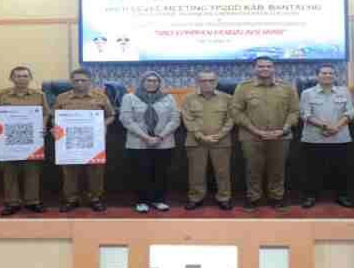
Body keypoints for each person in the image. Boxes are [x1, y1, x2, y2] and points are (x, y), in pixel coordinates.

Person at [231, 56, 299, 212]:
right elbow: (236, 112)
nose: (265, 69)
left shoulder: (287, 87)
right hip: (251, 136)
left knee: (277, 169)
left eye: (268, 66)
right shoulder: (244, 87)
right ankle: (253, 198)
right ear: (254, 69)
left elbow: (294, 111)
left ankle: (277, 197)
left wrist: (283, 129)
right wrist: (255, 130)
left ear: (274, 68)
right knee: (252, 169)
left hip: (280, 136)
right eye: (261, 66)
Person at [52, 68, 116, 213]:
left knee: (95, 171)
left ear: (90, 81)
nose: (80, 83)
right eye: (76, 80)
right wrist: (55, 126)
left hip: (93, 141)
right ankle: (71, 199)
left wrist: (103, 124)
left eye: (83, 80)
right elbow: (54, 116)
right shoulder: (62, 98)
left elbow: (111, 115)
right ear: (71, 81)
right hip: (68, 141)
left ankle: (95, 199)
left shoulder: (100, 97)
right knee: (70, 171)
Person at [0, 66, 50, 215]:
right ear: (11, 78)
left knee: (32, 170)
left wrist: (43, 125)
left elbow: (45, 113)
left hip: (31, 139)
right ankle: (12, 203)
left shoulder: (39, 95)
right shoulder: (1, 95)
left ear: (30, 78)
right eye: (18, 76)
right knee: (9, 171)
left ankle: (32, 201)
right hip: (7, 139)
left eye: (25, 76)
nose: (21, 79)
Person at [120, 71, 179, 213]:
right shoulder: (130, 97)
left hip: (163, 142)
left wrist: (160, 137)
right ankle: (141, 201)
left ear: (159, 83)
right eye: (148, 80)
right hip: (138, 142)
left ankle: (159, 200)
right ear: (142, 82)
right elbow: (126, 120)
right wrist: (146, 137)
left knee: (160, 173)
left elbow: (175, 120)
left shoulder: (169, 98)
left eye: (155, 81)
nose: (152, 83)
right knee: (140, 173)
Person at [299, 65, 354, 208]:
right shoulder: (307, 93)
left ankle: (342, 196)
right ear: (317, 76)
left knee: (342, 170)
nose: (328, 76)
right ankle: (310, 196)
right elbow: (305, 114)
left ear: (335, 76)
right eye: (324, 73)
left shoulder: (344, 91)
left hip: (340, 138)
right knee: (311, 170)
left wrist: (336, 126)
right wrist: (325, 126)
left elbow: (351, 112)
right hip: (314, 138)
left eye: (331, 73)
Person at [181, 71, 235, 210]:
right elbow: (188, 120)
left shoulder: (227, 98)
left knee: (223, 172)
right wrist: (201, 136)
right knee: (196, 173)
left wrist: (219, 135)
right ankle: (195, 198)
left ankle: (224, 198)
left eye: (211, 80)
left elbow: (231, 119)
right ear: (197, 82)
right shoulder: (188, 99)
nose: (207, 83)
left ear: (216, 82)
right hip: (196, 141)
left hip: (221, 141)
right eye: (203, 81)